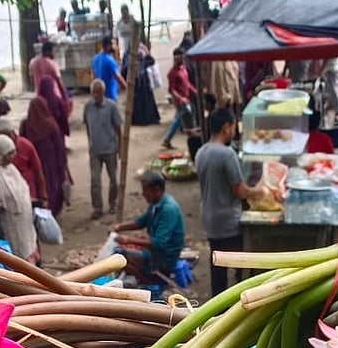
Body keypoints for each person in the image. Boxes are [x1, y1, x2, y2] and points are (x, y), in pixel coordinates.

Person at [195, 108, 259, 297]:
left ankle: (218, 305)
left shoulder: (201, 152)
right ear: (226, 128)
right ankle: (238, 303)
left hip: (209, 217)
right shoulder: (226, 154)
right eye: (232, 127)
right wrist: (260, 191)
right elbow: (239, 191)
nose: (234, 132)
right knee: (240, 264)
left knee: (217, 264)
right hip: (227, 221)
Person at [109, 171, 185, 280]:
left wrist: (128, 240)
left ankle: (148, 280)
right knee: (126, 249)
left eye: (145, 190)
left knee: (119, 255)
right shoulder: (156, 203)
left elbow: (159, 243)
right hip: (157, 252)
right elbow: (141, 222)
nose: (143, 194)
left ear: (156, 189)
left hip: (165, 257)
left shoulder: (168, 209)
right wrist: (119, 227)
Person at [0, 135, 39, 264]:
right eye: (8, 154)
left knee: (29, 247)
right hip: (10, 221)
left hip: (24, 220)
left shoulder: (11, 168)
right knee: (18, 255)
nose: (11, 157)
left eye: (13, 153)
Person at [21, 93, 72, 216]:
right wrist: (62, 163)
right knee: (53, 186)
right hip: (52, 163)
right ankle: (52, 211)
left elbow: (22, 144)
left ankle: (43, 210)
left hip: (35, 163)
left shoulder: (26, 125)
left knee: (40, 187)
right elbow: (59, 147)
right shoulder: (51, 125)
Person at [84, 79, 122, 219]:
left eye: (98, 93)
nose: (96, 95)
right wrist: (90, 143)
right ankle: (97, 208)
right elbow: (88, 126)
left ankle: (113, 203)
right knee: (95, 181)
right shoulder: (87, 107)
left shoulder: (111, 106)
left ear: (103, 93)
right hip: (95, 150)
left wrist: (120, 147)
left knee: (113, 179)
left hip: (110, 149)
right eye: (93, 93)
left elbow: (118, 128)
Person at [0, 116, 46, 208]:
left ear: (12, 133)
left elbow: (38, 171)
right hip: (8, 198)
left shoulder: (26, 146)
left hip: (28, 194)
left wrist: (43, 196)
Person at [163, 48, 198, 149]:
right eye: (181, 57)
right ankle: (167, 139)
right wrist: (181, 98)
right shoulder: (172, 73)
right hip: (180, 101)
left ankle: (191, 133)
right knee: (180, 119)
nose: (183, 59)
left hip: (187, 98)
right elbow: (171, 90)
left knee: (187, 116)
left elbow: (186, 83)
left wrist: (194, 90)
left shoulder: (183, 68)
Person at [28, 41, 70, 108]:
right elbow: (59, 82)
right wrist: (65, 98)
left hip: (39, 96)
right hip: (54, 96)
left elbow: (32, 80)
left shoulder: (32, 62)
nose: (55, 54)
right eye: (54, 51)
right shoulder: (52, 64)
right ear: (48, 51)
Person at [128, 43, 161, 127]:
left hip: (139, 80)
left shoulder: (131, 52)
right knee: (144, 100)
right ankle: (147, 119)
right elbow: (151, 61)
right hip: (141, 80)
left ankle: (142, 120)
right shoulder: (142, 50)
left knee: (141, 100)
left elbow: (150, 61)